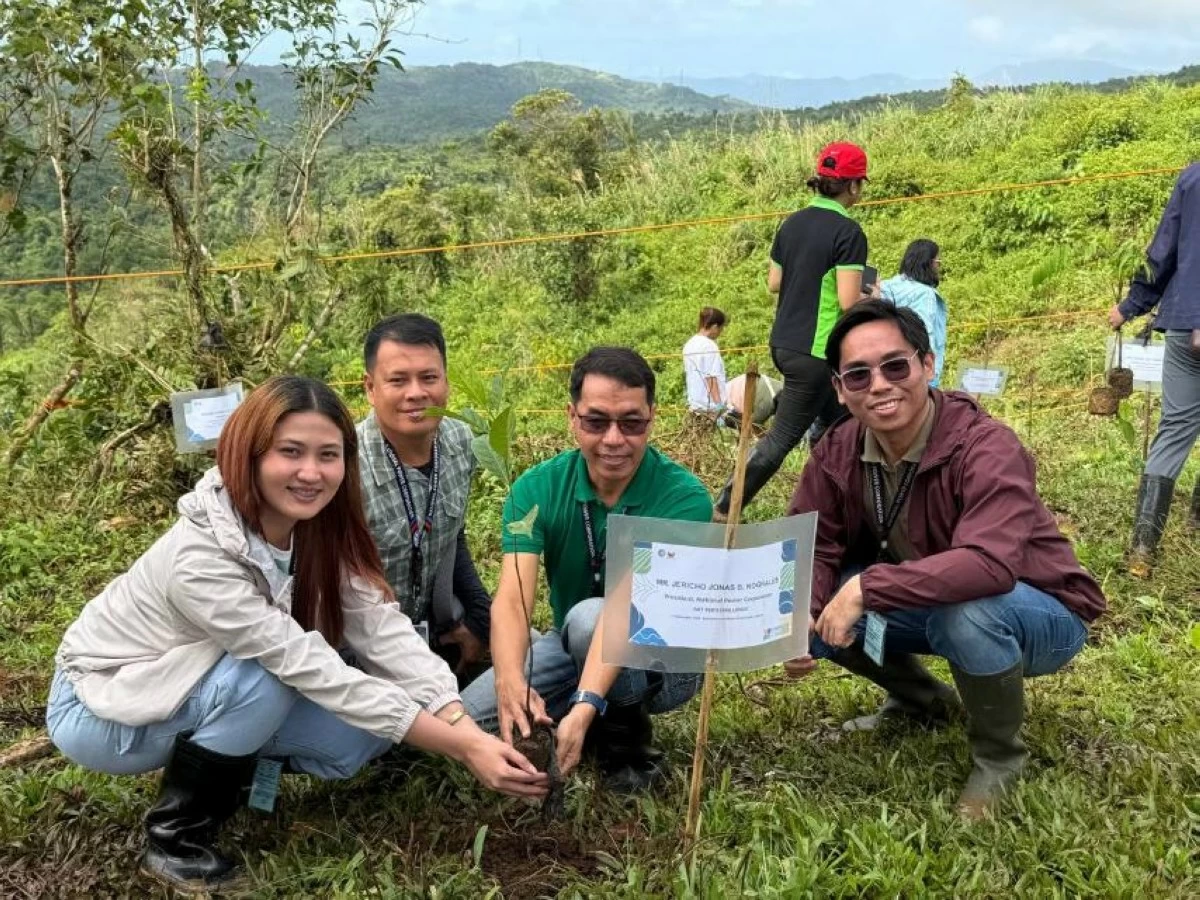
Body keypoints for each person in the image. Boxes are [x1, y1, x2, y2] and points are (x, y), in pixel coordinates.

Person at [45, 376, 547, 894]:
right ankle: (175, 838)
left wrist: (453, 715)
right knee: (264, 680)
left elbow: (377, 624)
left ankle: (235, 761)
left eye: (328, 455)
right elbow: (303, 663)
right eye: (290, 452)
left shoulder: (312, 526)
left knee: (368, 732)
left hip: (196, 680)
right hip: (101, 705)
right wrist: (464, 748)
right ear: (250, 453)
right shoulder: (200, 558)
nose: (311, 473)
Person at [784, 301, 1106, 819]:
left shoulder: (986, 445)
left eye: (896, 366)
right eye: (858, 375)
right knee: (823, 604)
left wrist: (865, 590)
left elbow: (989, 564)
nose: (879, 386)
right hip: (928, 601)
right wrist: (803, 610)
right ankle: (922, 700)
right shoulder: (837, 448)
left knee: (963, 611)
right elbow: (814, 543)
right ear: (840, 389)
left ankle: (999, 759)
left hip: (1039, 612)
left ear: (927, 364)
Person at [460, 347, 713, 792]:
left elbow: (628, 609)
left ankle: (625, 744)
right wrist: (510, 680)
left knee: (589, 617)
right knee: (475, 721)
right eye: (596, 422)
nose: (614, 439)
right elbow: (513, 599)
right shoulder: (534, 490)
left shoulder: (684, 498)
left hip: (661, 655)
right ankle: (582, 706)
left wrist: (585, 703)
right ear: (572, 418)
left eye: (631, 423)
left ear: (652, 418)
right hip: (572, 644)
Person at [714, 141, 873, 521]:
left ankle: (839, 507)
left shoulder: (792, 223)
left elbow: (774, 282)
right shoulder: (848, 232)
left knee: (846, 428)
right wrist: (874, 295)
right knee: (782, 438)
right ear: (853, 186)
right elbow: (848, 300)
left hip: (785, 343)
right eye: (861, 184)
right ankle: (723, 509)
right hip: (816, 351)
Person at [358, 314, 492, 684]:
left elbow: (452, 536)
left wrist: (480, 620)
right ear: (370, 388)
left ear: (446, 382)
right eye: (398, 380)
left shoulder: (461, 441)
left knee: (528, 652)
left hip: (433, 626)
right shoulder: (342, 463)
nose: (416, 393)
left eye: (429, 378)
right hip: (362, 646)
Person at [1107, 162, 1200, 571]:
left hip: (1185, 322)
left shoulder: (1192, 177)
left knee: (1174, 428)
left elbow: (1163, 251)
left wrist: (1132, 304)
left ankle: (1143, 548)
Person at [881, 238, 947, 387]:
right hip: (920, 371)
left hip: (892, 366)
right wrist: (929, 370)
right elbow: (926, 332)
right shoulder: (924, 293)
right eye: (938, 261)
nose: (938, 267)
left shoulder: (886, 286)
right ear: (928, 263)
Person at [683, 306, 728, 416]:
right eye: (721, 329)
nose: (720, 333)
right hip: (710, 408)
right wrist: (719, 406)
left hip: (695, 406)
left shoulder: (689, 344)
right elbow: (711, 378)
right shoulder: (709, 346)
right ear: (715, 327)